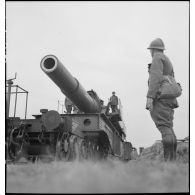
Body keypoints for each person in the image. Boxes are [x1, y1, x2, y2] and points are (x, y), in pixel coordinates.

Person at [146, 38, 178, 161]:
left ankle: (168, 162)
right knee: (168, 127)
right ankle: (172, 161)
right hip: (169, 98)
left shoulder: (157, 58)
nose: (150, 52)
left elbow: (155, 78)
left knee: (164, 127)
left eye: (150, 50)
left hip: (161, 98)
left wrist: (150, 97)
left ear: (153, 49)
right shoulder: (167, 60)